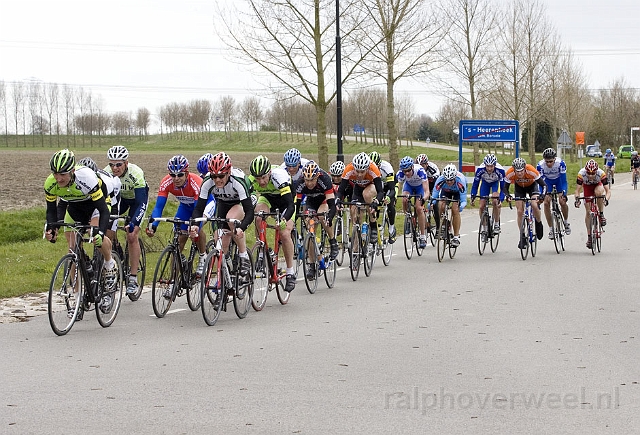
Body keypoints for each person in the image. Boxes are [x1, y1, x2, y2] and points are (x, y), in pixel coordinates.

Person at [44, 149, 117, 314]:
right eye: (55, 174)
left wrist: (99, 232)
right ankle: (77, 301)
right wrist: (51, 229)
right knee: (72, 250)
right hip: (75, 207)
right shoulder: (50, 183)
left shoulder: (87, 178)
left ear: (72, 171)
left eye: (62, 174)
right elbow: (51, 211)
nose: (58, 178)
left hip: (97, 205)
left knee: (95, 236)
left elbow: (104, 211)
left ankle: (109, 263)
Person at [190, 152, 254, 281]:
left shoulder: (238, 181)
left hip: (241, 202)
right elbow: (199, 208)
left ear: (228, 173)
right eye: (214, 176)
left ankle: (243, 255)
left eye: (221, 176)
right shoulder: (208, 182)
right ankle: (224, 281)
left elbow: (249, 212)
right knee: (219, 239)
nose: (217, 180)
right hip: (223, 203)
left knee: (232, 219)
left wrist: (241, 228)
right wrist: (195, 226)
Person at [146, 155, 208, 277]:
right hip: (185, 207)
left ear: (187, 173)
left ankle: (203, 256)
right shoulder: (166, 182)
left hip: (202, 205)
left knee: (195, 226)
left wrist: (194, 225)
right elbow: (159, 207)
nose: (176, 178)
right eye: (172, 175)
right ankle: (173, 281)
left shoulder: (196, 182)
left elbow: (198, 210)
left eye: (180, 175)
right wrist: (153, 226)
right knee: (179, 239)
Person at [249, 155, 298, 292]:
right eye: (258, 179)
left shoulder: (279, 176)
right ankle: (262, 251)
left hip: (286, 202)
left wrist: (283, 220)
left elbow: (290, 205)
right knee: (258, 217)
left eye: (264, 177)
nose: (261, 181)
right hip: (268, 198)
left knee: (284, 232)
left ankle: (290, 272)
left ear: (269, 172)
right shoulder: (252, 179)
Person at [105, 145, 149, 295]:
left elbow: (141, 202)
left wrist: (133, 223)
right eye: (112, 164)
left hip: (137, 200)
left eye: (118, 164)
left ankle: (133, 278)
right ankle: (115, 254)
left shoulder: (136, 173)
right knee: (107, 232)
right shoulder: (106, 173)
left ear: (126, 163)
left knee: (131, 235)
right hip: (119, 201)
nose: (115, 168)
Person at [295, 161, 339, 279]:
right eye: (306, 180)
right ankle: (312, 265)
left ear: (317, 176)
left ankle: (332, 241)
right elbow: (296, 204)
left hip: (324, 200)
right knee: (310, 229)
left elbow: (332, 205)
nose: (309, 183)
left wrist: (329, 217)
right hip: (311, 202)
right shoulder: (299, 182)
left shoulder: (324, 179)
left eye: (312, 180)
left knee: (322, 216)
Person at [335, 152, 385, 243]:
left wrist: (376, 202)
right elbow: (341, 190)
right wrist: (338, 199)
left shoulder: (373, 169)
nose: (359, 174)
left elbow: (380, 192)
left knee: (366, 194)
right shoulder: (348, 169)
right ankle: (356, 249)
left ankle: (373, 224)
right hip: (358, 187)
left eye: (362, 172)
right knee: (354, 214)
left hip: (372, 185)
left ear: (367, 168)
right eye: (357, 171)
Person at [503, 157, 546, 249]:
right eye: (517, 171)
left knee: (534, 204)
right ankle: (522, 236)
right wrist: (508, 196)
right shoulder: (510, 173)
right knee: (519, 211)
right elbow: (505, 188)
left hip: (532, 187)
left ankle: (538, 223)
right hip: (519, 189)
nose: (519, 173)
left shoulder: (531, 170)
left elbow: (543, 185)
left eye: (521, 171)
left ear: (525, 169)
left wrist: (542, 195)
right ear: (514, 170)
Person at [573, 159, 611, 249]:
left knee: (599, 193)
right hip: (587, 188)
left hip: (598, 185)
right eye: (588, 173)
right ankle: (589, 236)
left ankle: (601, 214)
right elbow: (577, 191)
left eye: (593, 173)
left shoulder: (601, 173)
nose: (590, 175)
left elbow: (608, 191)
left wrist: (606, 199)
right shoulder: (581, 174)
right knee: (588, 212)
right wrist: (577, 199)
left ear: (596, 171)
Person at [536, 148, 571, 239]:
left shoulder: (561, 163)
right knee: (546, 202)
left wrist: (563, 193)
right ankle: (551, 229)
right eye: (547, 161)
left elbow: (564, 181)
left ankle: (566, 222)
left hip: (559, 181)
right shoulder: (540, 166)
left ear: (554, 159)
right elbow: (541, 183)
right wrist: (542, 194)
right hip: (548, 182)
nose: (549, 164)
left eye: (551, 161)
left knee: (562, 202)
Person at [397, 155, 430, 248]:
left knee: (419, 208)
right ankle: (408, 218)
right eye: (404, 171)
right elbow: (397, 187)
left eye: (408, 170)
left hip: (420, 187)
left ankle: (423, 237)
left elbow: (427, 191)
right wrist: (393, 197)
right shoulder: (400, 173)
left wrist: (424, 199)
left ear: (412, 167)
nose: (406, 173)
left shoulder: (420, 171)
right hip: (409, 186)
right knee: (404, 199)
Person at [431, 164, 467, 248]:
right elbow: (435, 195)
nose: (449, 182)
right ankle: (444, 224)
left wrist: (461, 206)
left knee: (455, 209)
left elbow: (463, 199)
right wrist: (432, 203)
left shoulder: (460, 180)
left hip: (457, 193)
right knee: (440, 204)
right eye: (447, 180)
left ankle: (456, 236)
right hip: (446, 192)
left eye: (451, 180)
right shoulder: (440, 179)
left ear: (454, 177)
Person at [470, 154, 506, 236]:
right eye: (487, 166)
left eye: (491, 166)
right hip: (485, 183)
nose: (489, 168)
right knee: (481, 206)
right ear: (485, 165)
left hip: (495, 184)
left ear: (495, 165)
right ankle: (484, 229)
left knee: (495, 201)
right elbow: (475, 185)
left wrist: (501, 199)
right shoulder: (480, 170)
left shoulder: (500, 170)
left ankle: (496, 224)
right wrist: (473, 196)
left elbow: (503, 187)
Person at [369, 151, 397, 243]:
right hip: (378, 187)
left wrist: (389, 197)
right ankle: (376, 226)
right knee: (374, 203)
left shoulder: (387, 168)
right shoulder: (369, 169)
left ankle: (392, 228)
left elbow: (392, 189)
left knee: (390, 204)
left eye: (377, 166)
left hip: (389, 186)